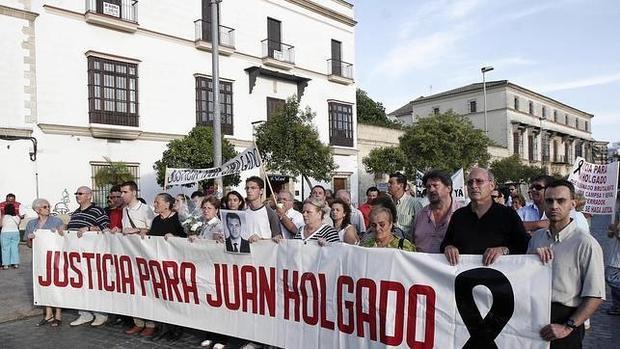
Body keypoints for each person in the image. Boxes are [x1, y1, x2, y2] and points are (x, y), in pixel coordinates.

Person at [528, 180, 605, 348]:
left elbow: (596, 295)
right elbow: (524, 278)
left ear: (572, 204)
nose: (554, 206)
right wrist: (532, 260)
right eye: (549, 201)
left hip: (566, 320)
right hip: (534, 318)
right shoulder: (537, 238)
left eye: (560, 200)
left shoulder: (586, 243)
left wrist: (567, 327)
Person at [440, 168, 529, 266]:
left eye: (479, 181)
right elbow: (445, 244)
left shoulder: (508, 215)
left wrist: (503, 250)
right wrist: (448, 247)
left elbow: (523, 245)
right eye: (470, 183)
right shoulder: (458, 216)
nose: (474, 186)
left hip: (498, 277)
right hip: (465, 277)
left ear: (491, 186)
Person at [66, 186, 109, 327]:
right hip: (76, 255)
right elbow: (71, 228)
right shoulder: (76, 212)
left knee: (94, 284)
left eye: (80, 193)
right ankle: (84, 313)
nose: (77, 195)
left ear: (89, 196)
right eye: (76, 193)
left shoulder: (98, 210)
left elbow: (106, 227)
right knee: (80, 285)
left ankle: (100, 314)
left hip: (92, 255)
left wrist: (89, 229)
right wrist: (63, 228)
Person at [117, 181, 156, 337]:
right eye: (121, 192)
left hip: (144, 255)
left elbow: (153, 230)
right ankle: (138, 322)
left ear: (134, 192)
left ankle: (151, 323)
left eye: (125, 192)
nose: (122, 195)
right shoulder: (125, 210)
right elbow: (125, 230)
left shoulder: (146, 209)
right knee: (133, 290)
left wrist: (136, 229)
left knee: (147, 290)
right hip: (129, 254)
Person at [148, 193, 185, 342]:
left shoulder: (178, 219)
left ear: (167, 204)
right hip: (158, 265)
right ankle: (162, 327)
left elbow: (186, 238)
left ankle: (175, 329)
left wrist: (175, 238)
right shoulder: (156, 220)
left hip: (174, 265)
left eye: (157, 202)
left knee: (174, 297)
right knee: (159, 297)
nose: (155, 205)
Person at [25, 198, 65, 327]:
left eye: (48, 206)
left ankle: (58, 314)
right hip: (39, 260)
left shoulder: (56, 221)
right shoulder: (31, 224)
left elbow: (63, 236)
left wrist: (59, 231)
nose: (48, 208)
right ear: (37, 210)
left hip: (55, 259)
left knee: (56, 285)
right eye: (45, 207)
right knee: (44, 285)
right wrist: (30, 240)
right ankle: (48, 314)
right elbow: (29, 245)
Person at [412, 170, 460, 253]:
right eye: (428, 186)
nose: (431, 189)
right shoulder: (420, 215)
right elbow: (412, 244)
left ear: (449, 188)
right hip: (421, 265)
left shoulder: (462, 214)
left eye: (435, 185)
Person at [245, 176, 282, 241]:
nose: (249, 190)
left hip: (264, 250)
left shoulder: (270, 213)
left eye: (253, 188)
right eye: (247, 188)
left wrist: (260, 240)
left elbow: (277, 238)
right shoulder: (244, 213)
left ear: (261, 191)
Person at [388, 172, 423, 241]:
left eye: (391, 183)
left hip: (407, 247)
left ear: (400, 185)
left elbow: (421, 228)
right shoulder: (386, 204)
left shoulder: (414, 204)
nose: (388, 185)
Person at [605, 194, 620, 316]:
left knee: (611, 277)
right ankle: (617, 305)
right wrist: (612, 230)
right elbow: (612, 234)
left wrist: (615, 229)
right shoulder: (618, 210)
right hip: (615, 253)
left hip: (618, 258)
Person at [1, 204, 21, 269]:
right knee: (15, 248)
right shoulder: (17, 217)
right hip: (15, 232)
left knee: (5, 249)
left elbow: (1, 225)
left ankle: (6, 265)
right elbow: (18, 223)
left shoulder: (4, 217)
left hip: (5, 233)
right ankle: (15, 264)